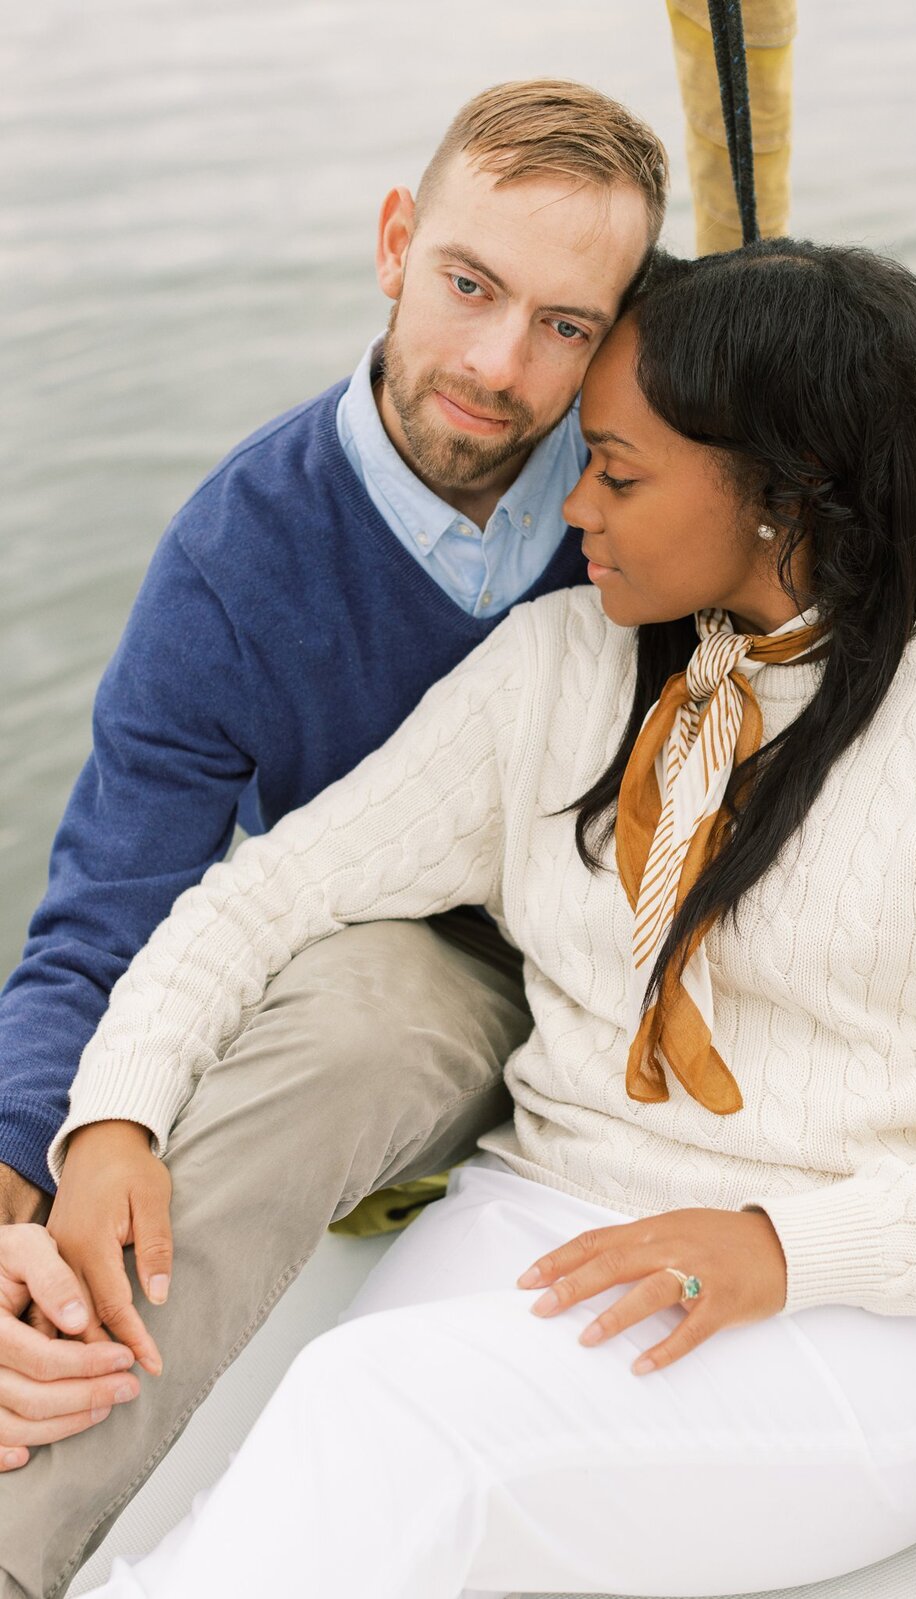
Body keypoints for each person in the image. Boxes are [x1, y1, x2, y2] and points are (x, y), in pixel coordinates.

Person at [43, 240, 916, 1597]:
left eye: (621, 471)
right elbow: (273, 891)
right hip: (547, 1213)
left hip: (882, 1314)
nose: (574, 505)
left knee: (386, 1417)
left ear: (780, 496)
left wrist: (779, 1249)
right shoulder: (555, 667)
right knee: (325, 1451)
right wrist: (114, 1111)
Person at [0, 78, 668, 1598]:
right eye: (470, 285)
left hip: (668, 991)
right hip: (422, 990)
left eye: (567, 325)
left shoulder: (670, 495)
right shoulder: (238, 558)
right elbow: (105, 918)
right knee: (357, 1019)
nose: (501, 367)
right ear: (394, 245)